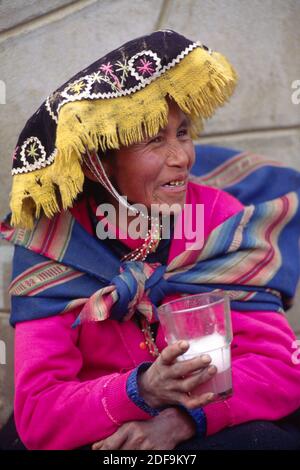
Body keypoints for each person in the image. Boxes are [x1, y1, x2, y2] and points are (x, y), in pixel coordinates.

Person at [1, 30, 300, 451]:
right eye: (154, 139)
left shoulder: (218, 219)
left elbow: (281, 369)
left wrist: (183, 419)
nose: (182, 157)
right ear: (97, 163)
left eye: (182, 133)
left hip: (204, 425)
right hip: (99, 433)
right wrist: (142, 390)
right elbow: (39, 410)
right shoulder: (53, 242)